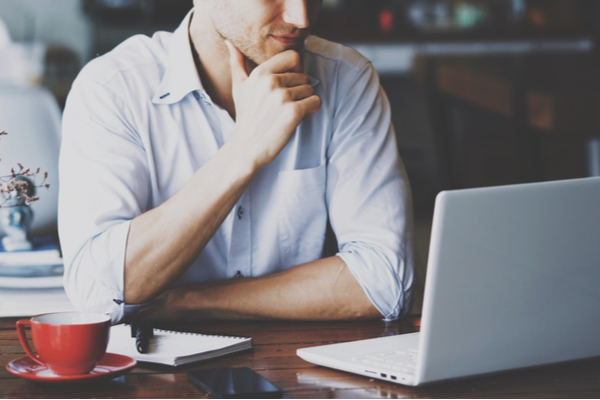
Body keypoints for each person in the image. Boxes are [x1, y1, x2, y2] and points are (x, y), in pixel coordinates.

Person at [59, 0, 415, 324]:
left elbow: (384, 282)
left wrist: (190, 302)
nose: (301, 17)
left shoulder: (346, 79)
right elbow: (98, 295)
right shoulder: (113, 89)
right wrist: (243, 151)